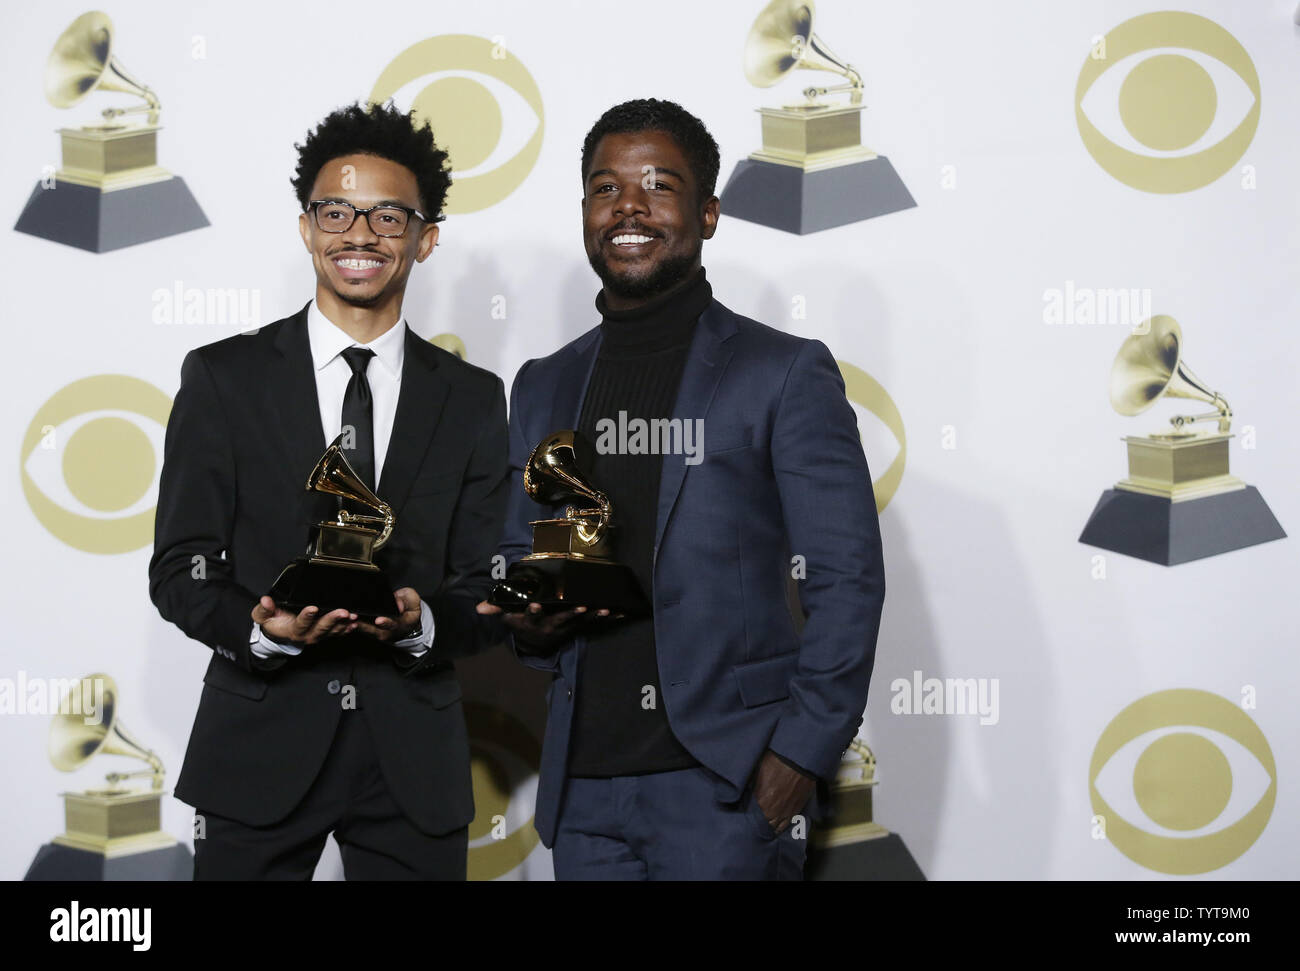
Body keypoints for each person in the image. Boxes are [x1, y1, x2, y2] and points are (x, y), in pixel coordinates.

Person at [478, 99, 884, 880]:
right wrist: (530, 620)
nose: (628, 207)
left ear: (707, 213)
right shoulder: (542, 384)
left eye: (659, 186)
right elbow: (515, 554)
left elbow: (849, 578)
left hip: (725, 791)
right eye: (605, 189)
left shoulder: (783, 372)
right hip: (585, 794)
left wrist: (795, 760)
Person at [150, 102, 508, 880]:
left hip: (414, 760)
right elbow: (180, 568)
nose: (360, 234)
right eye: (336, 211)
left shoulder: (476, 398)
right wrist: (264, 631)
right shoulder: (222, 379)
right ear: (308, 227)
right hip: (255, 749)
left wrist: (421, 625)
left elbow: (486, 585)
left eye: (388, 216)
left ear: (425, 237)